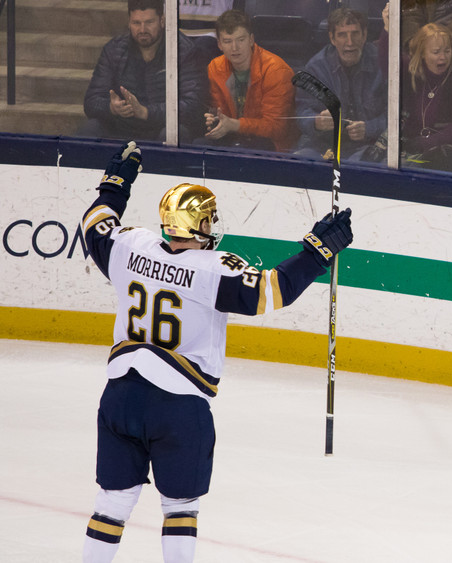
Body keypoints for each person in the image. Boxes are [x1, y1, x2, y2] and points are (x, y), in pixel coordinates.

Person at [80, 141, 353, 562]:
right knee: (180, 509)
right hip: (179, 405)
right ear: (199, 223)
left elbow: (95, 223)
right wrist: (316, 252)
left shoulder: (130, 246)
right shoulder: (213, 267)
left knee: (111, 504)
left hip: (120, 396)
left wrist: (116, 184)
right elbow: (272, 292)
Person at [80, 0, 206, 143]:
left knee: (176, 133)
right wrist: (112, 108)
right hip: (122, 128)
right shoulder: (114, 49)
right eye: (136, 23)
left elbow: (194, 106)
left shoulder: (183, 50)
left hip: (162, 128)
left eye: (149, 22)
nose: (142, 29)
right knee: (90, 129)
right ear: (129, 22)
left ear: (162, 20)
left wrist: (146, 112)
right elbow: (91, 101)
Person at [295, 7, 387, 161]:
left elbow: (398, 116)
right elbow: (301, 111)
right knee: (298, 163)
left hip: (370, 145)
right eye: (342, 35)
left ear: (364, 35)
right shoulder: (316, 67)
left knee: (360, 169)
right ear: (332, 38)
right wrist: (316, 122)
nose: (349, 42)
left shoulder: (383, 63)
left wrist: (369, 128)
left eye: (355, 33)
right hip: (322, 144)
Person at [202, 9, 298, 152]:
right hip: (233, 137)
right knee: (199, 144)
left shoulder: (276, 71)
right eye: (228, 41)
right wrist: (215, 121)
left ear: (251, 40)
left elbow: (277, 129)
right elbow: (219, 111)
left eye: (241, 40)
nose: (235, 48)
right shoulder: (215, 67)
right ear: (219, 45)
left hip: (270, 145)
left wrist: (234, 125)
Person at [402, 22, 452, 171]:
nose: (443, 57)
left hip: (450, 156)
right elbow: (387, 62)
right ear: (423, 53)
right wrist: (387, 29)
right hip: (412, 152)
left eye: (447, 51)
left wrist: (426, 143)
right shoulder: (413, 74)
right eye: (436, 52)